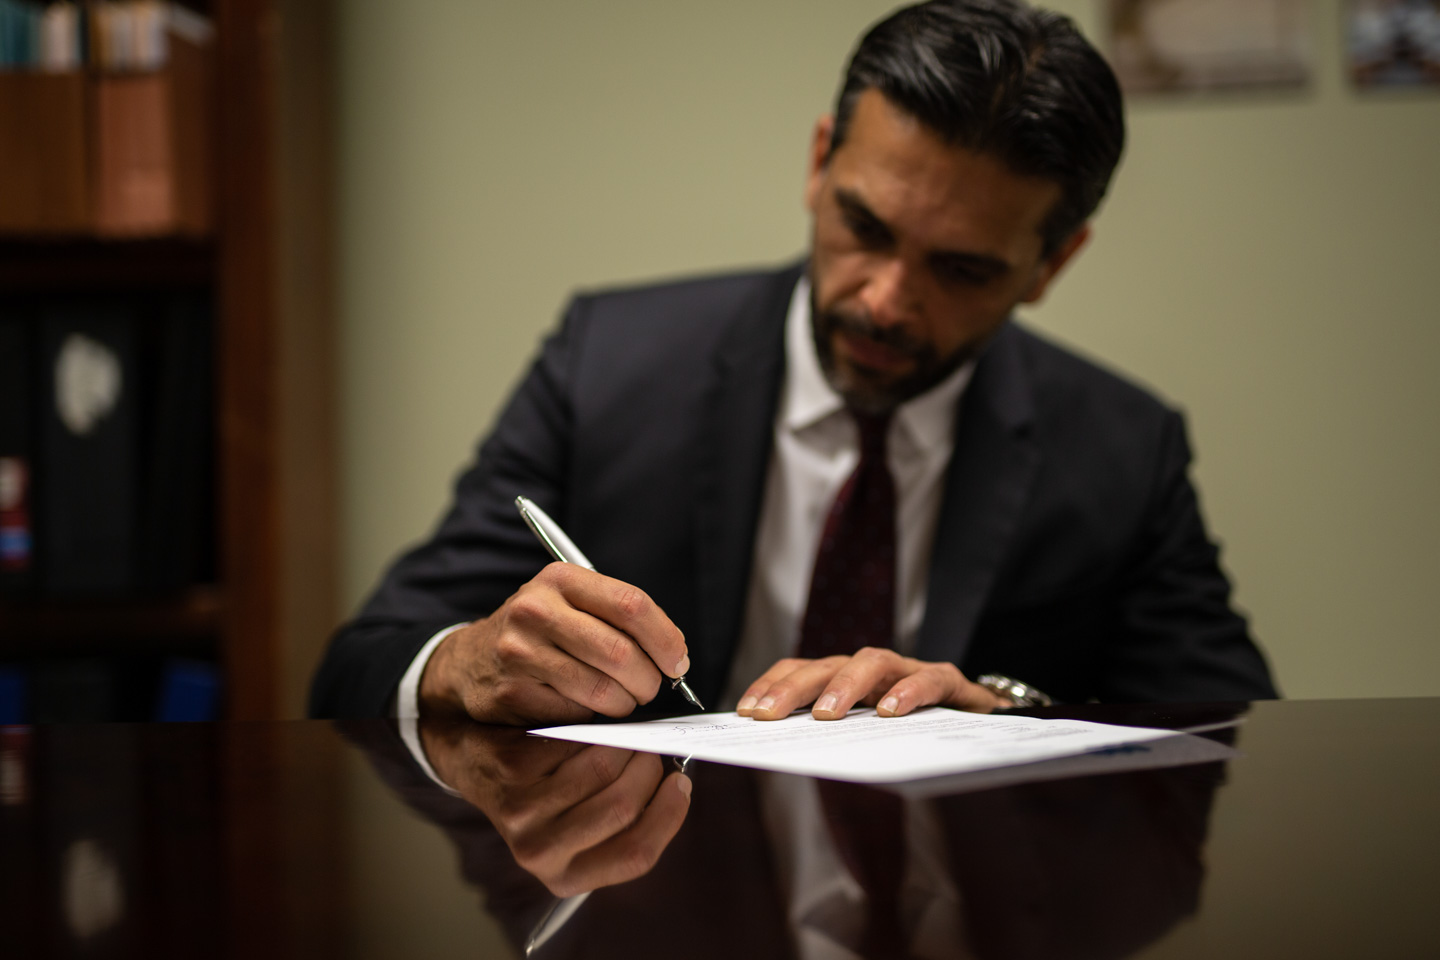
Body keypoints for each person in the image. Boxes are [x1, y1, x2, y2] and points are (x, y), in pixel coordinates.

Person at [310, 0, 1276, 726]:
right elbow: (356, 669)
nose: (885, 300)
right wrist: (469, 664)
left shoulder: (1121, 447)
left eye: (962, 268)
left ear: (1052, 263)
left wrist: (1006, 709)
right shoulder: (607, 365)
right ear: (820, 164)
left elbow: (1234, 735)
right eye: (865, 226)